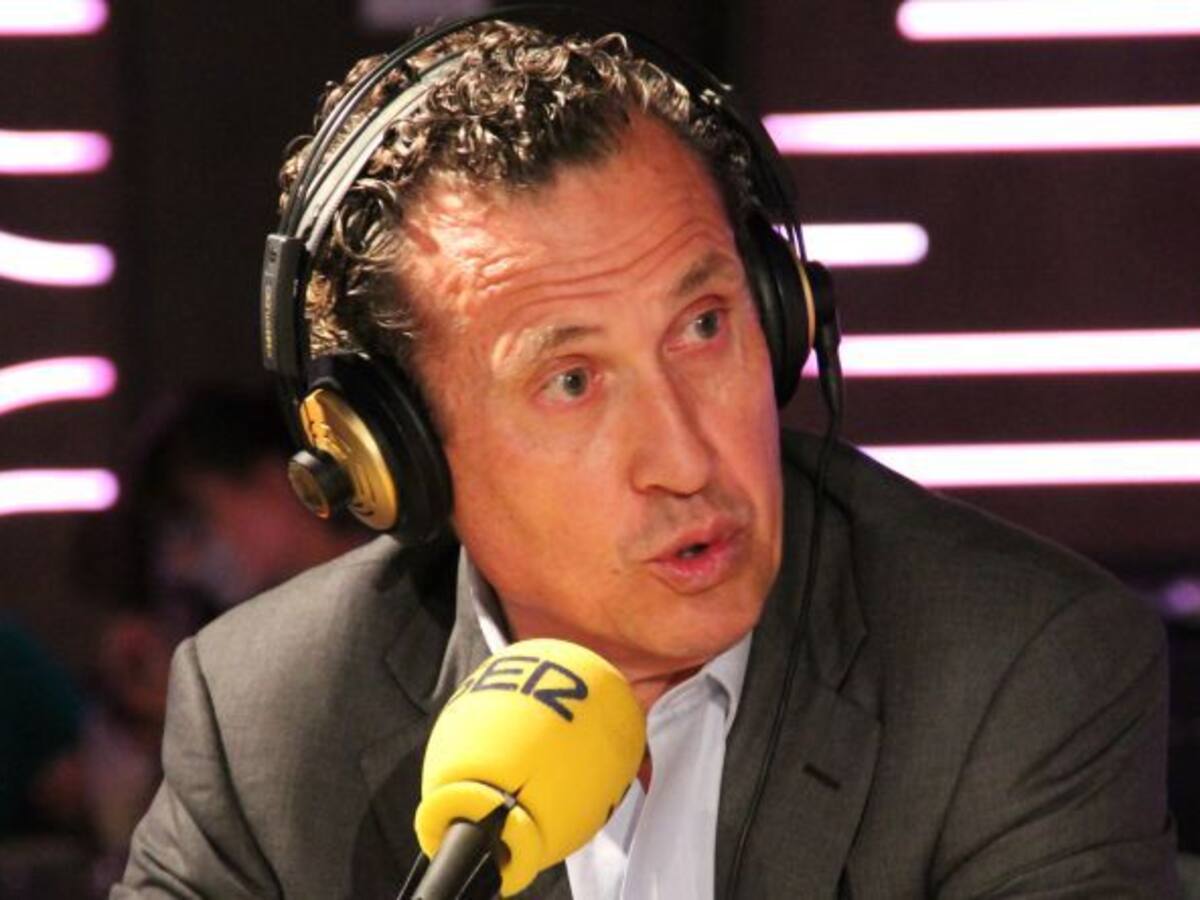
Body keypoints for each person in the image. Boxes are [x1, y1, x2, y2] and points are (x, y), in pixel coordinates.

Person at [112, 16, 1178, 899]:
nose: (685, 456)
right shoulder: (271, 720)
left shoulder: (1015, 671)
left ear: (780, 312)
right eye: (572, 381)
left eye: (704, 327)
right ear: (399, 458)